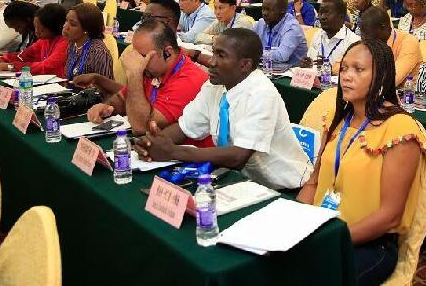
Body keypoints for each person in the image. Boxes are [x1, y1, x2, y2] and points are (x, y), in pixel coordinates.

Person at [297, 38, 426, 286]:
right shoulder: (336, 119)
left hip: (369, 244)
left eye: (359, 70)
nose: (346, 76)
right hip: (322, 228)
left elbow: (390, 216)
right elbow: (313, 184)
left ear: (382, 76)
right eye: (344, 68)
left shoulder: (400, 129)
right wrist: (297, 223)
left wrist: (330, 240)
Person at [133, 28, 312, 189]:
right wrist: (152, 144)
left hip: (285, 188)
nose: (211, 62)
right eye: (213, 53)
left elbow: (238, 156)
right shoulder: (215, 86)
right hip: (243, 182)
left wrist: (172, 151)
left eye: (221, 56)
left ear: (245, 65)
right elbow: (184, 128)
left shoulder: (261, 94)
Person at [78, 20, 211, 141]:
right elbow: (122, 99)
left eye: (143, 56)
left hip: (188, 156)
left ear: (168, 53)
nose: (138, 61)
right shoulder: (152, 71)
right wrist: (106, 107)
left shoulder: (188, 80)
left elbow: (141, 127)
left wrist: (134, 74)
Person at [0, 4, 67, 76]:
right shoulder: (44, 40)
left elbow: (45, 67)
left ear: (53, 27)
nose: (36, 32)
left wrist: (8, 66)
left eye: (41, 30)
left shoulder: (64, 43)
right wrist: (3, 59)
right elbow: (25, 55)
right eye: (36, 28)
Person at [360, 7, 422, 86]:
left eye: (368, 35)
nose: (364, 40)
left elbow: (392, 80)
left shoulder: (409, 42)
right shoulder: (370, 42)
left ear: (383, 28)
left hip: (407, 92)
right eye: (363, 35)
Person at [300, 0, 360, 73]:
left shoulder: (353, 42)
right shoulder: (318, 35)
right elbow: (310, 60)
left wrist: (329, 69)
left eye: (327, 13)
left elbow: (354, 72)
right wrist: (306, 64)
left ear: (341, 17)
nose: (322, 17)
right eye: (321, 13)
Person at [253, 0, 307, 66]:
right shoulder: (261, 23)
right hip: (268, 68)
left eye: (269, 10)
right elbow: (248, 45)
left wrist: (254, 53)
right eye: (263, 9)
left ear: (282, 11)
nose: (264, 13)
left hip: (292, 70)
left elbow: (282, 56)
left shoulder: (292, 27)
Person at [62, 3, 113, 80]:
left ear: (87, 29)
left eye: (72, 24)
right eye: (66, 20)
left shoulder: (99, 52)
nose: (65, 26)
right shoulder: (73, 44)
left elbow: (106, 86)